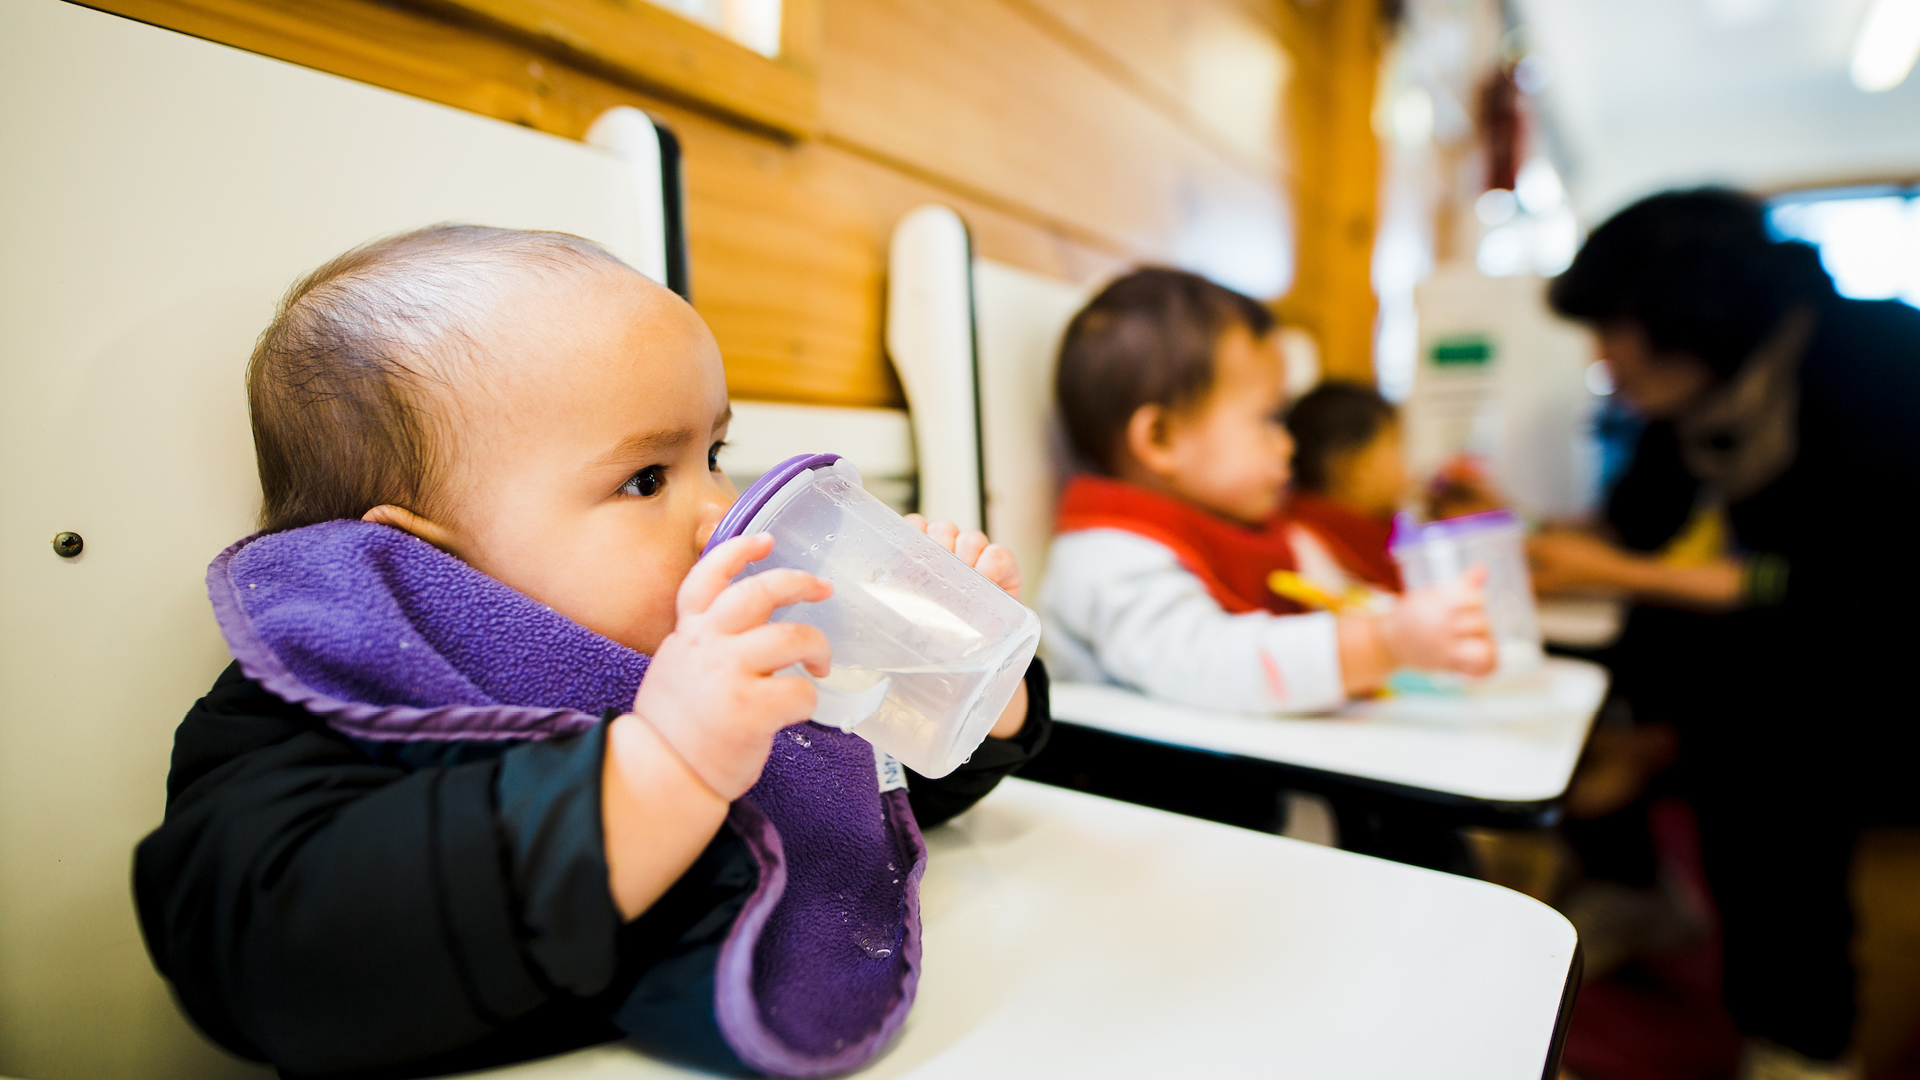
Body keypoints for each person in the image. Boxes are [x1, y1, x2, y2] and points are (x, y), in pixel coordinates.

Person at [133, 225, 1051, 1079]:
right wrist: (661, 772)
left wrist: (953, 679)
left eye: (716, 451)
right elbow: (259, 941)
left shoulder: (699, 645)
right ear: (434, 558)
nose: (715, 511)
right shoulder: (342, 683)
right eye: (646, 479)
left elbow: (848, 796)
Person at [1530, 188, 1920, 1080]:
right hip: (1770, 642)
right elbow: (1635, 529)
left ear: (1676, 313)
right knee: (1592, 660)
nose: (1601, 359)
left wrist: (1621, 573)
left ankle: (1804, 1039)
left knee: (1773, 764)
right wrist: (1511, 525)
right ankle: (1638, 887)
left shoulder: (1881, 361)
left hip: (1871, 658)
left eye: (1608, 329)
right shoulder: (1691, 399)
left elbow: (1840, 584)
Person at [1039, 267, 1495, 714]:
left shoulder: (1251, 528)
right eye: (1269, 419)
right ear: (1160, 438)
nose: (1288, 444)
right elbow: (1215, 666)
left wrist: (1418, 625)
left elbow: (1334, 597)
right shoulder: (1108, 560)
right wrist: (1383, 642)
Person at [1282, 380, 1407, 593]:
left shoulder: (1373, 529)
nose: (1406, 466)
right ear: (1356, 471)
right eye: (1395, 447)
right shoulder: (1306, 544)